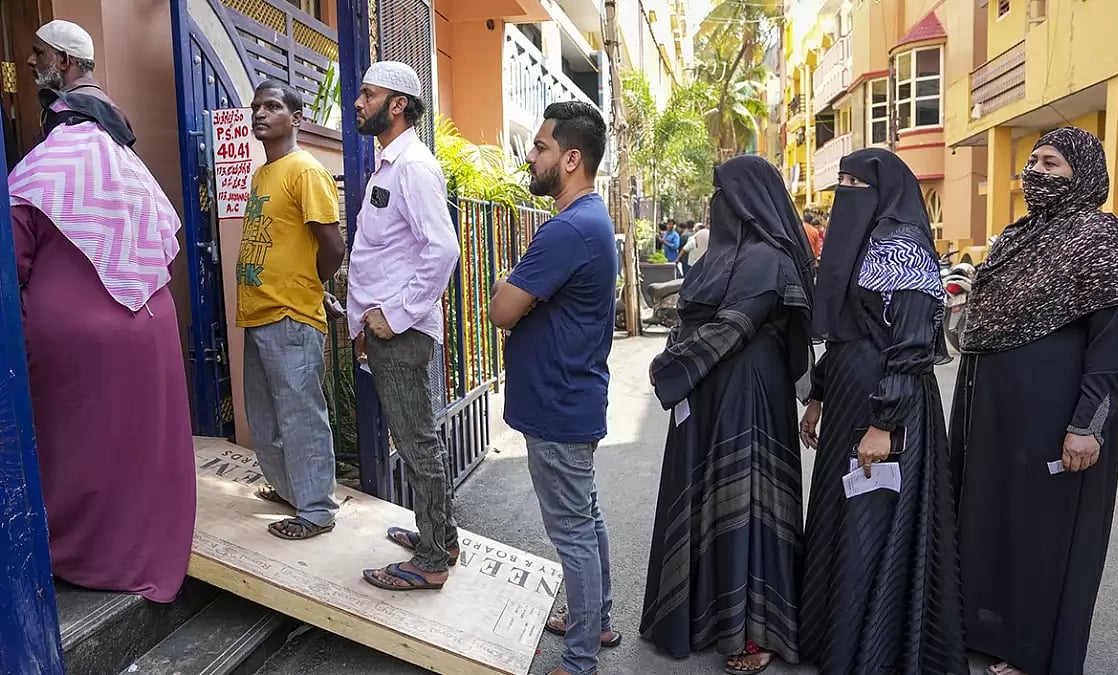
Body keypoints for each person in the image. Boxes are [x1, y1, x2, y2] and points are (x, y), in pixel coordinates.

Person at [951, 127, 1118, 675]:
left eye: (1051, 164)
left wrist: (1087, 426)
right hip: (997, 417)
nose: (1036, 173)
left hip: (1056, 418)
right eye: (1033, 163)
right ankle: (988, 630)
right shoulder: (1016, 237)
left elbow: (1113, 348)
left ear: (1083, 173)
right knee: (993, 520)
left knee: (1044, 534)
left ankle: (1035, 651)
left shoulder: (1101, 239)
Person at [8, 58, 195, 601]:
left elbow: (8, 263)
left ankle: (80, 555)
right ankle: (147, 548)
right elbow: (166, 251)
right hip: (150, 328)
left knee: (78, 449)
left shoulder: (36, 172)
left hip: (74, 340)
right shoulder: (133, 173)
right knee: (139, 449)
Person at [642, 156, 815, 674]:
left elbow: (735, 325)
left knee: (751, 502)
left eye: (722, 193)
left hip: (750, 394)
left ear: (744, 200)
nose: (715, 203)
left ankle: (756, 630)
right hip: (706, 389)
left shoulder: (771, 260)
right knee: (706, 498)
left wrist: (670, 367)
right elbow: (690, 318)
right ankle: (703, 617)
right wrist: (677, 358)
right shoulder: (716, 256)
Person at [799, 148, 968, 675]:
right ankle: (836, 639)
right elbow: (843, 331)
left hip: (887, 407)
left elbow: (912, 345)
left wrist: (883, 424)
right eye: (842, 182)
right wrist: (818, 397)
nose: (846, 192)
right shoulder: (860, 242)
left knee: (874, 522)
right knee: (842, 516)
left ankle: (875, 649)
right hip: (847, 401)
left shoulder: (904, 246)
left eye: (856, 183)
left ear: (885, 189)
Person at [489, 101, 617, 675]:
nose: (531, 156)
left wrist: (507, 285)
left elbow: (502, 310)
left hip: (560, 405)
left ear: (570, 159)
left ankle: (581, 657)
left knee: (572, 531)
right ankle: (597, 620)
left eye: (540, 147)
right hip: (570, 398)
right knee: (584, 519)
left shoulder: (568, 229)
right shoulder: (589, 220)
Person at [349, 62, 461, 592]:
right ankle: (442, 538)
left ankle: (433, 560)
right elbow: (384, 254)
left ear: (397, 105)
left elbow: (443, 250)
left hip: (402, 331)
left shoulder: (412, 167)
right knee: (419, 440)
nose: (358, 103)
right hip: (388, 330)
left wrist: (392, 317)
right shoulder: (390, 165)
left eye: (368, 94)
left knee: (416, 444)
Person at [237, 80, 346, 540]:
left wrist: (310, 286)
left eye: (272, 106)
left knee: (301, 416)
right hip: (259, 312)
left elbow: (333, 247)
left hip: (290, 314)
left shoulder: (306, 171)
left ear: (296, 118)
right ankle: (291, 491)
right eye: (256, 107)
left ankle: (317, 509)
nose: (260, 114)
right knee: (265, 418)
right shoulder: (263, 174)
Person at [27, 19, 132, 138]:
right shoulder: (109, 110)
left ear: (64, 61)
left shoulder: (69, 113)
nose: (30, 60)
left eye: (39, 53)